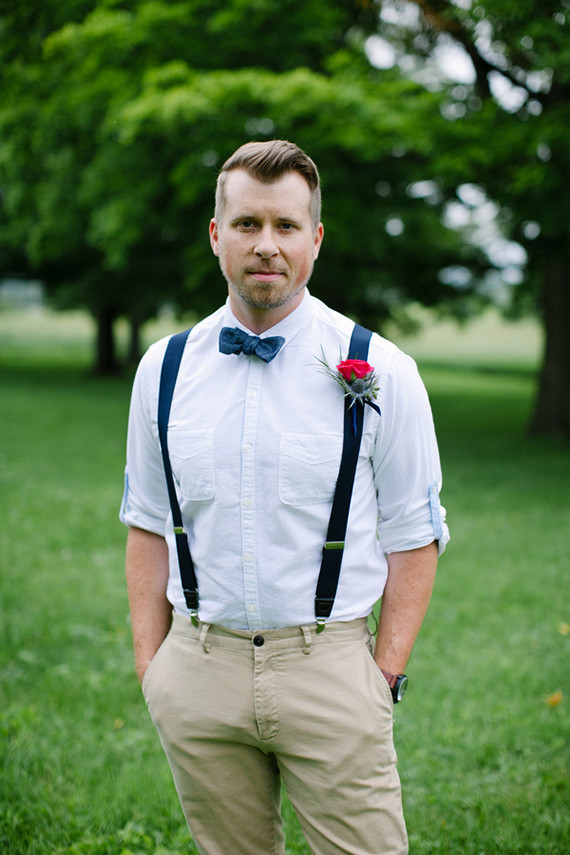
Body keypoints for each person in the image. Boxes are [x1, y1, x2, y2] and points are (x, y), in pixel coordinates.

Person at [120, 139, 449, 855]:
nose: (266, 245)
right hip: (199, 668)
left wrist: (381, 676)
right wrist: (155, 668)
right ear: (216, 236)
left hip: (329, 670)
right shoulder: (164, 369)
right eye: (246, 224)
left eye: (286, 226)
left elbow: (413, 533)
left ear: (315, 239)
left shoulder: (383, 369)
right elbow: (147, 522)